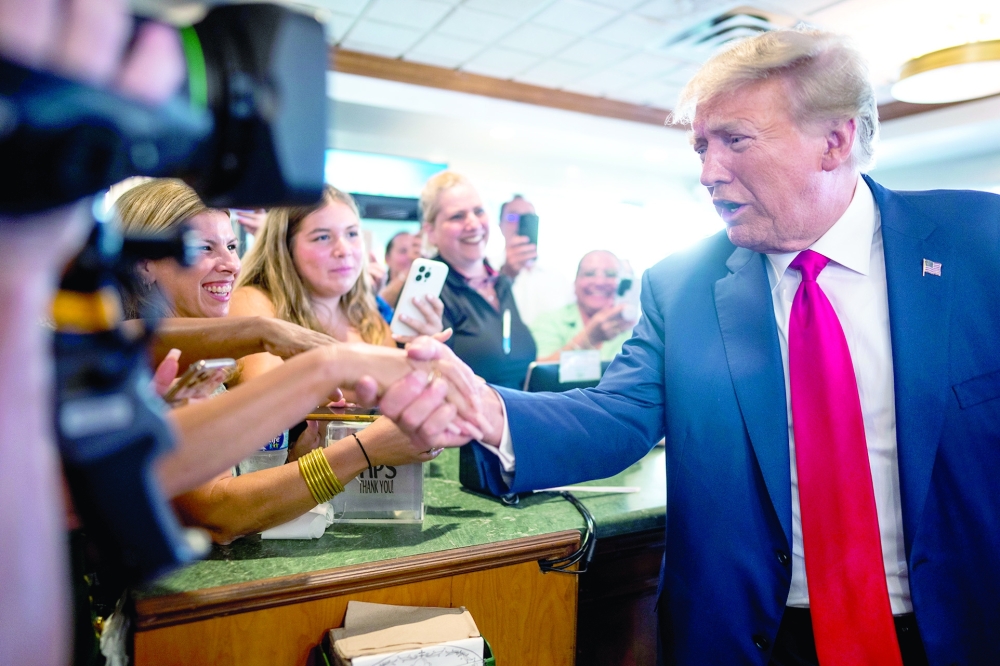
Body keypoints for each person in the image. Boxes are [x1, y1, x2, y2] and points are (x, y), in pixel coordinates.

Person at [395, 28, 1000, 666]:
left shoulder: (977, 243)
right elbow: (617, 414)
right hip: (755, 638)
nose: (709, 173)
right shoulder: (682, 285)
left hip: (959, 627)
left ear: (835, 140)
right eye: (701, 147)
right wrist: (491, 412)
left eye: (734, 140)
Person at [113, 179, 452, 542]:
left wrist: (309, 446)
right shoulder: (133, 362)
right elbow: (219, 514)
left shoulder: (200, 361)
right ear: (144, 264)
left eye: (231, 246)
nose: (230, 264)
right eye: (203, 248)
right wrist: (362, 451)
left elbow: (251, 481)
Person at [230, 185, 443, 384]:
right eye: (322, 237)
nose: (344, 250)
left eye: (351, 234)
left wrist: (424, 360)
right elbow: (265, 405)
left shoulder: (367, 318)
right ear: (285, 249)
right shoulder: (253, 303)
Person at [421, 172, 536, 389]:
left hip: (517, 416)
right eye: (457, 216)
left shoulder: (500, 282)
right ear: (431, 232)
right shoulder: (430, 289)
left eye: (479, 211)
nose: (473, 224)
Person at [530, 250, 635, 362]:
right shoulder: (549, 321)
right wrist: (588, 339)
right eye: (589, 274)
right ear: (575, 282)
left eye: (610, 274)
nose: (599, 282)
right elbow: (539, 373)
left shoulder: (633, 328)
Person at [493, 195, 574, 326]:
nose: (520, 223)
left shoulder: (557, 277)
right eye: (512, 217)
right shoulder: (487, 272)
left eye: (528, 218)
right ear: (500, 225)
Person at [379, 230, 421, 309]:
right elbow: (379, 307)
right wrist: (411, 269)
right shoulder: (377, 285)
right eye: (403, 251)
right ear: (387, 258)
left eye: (415, 252)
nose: (410, 256)